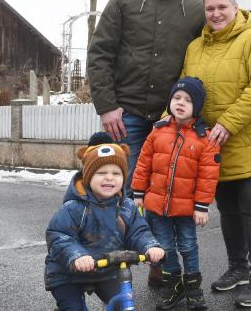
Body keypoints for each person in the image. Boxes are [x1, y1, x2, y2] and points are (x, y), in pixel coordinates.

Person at [87, 0, 204, 286]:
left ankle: (160, 262)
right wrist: (107, 106)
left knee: (164, 192)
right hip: (128, 115)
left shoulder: (195, 6)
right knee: (114, 189)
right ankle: (106, 265)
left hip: (171, 119)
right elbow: (100, 54)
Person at [180, 0, 251, 307]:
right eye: (210, 8)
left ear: (235, 7)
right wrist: (170, 121)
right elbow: (185, 89)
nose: (215, 14)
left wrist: (228, 121)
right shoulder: (195, 47)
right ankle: (238, 269)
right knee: (228, 209)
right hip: (215, 145)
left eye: (221, 7)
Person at [44, 132, 166, 311]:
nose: (109, 178)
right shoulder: (74, 208)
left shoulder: (127, 207)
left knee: (123, 303)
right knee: (73, 307)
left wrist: (150, 246)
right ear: (88, 176)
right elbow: (59, 237)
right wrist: (77, 256)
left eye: (116, 173)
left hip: (108, 270)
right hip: (69, 273)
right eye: (101, 173)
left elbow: (139, 232)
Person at [131, 77, 220, 310]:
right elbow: (143, 163)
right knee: (165, 247)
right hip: (157, 205)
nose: (181, 103)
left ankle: (193, 288)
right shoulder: (157, 131)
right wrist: (138, 192)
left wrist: (202, 206)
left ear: (197, 107)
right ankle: (173, 285)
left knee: (188, 246)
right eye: (176, 98)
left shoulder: (205, 138)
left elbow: (208, 176)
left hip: (186, 208)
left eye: (188, 100)